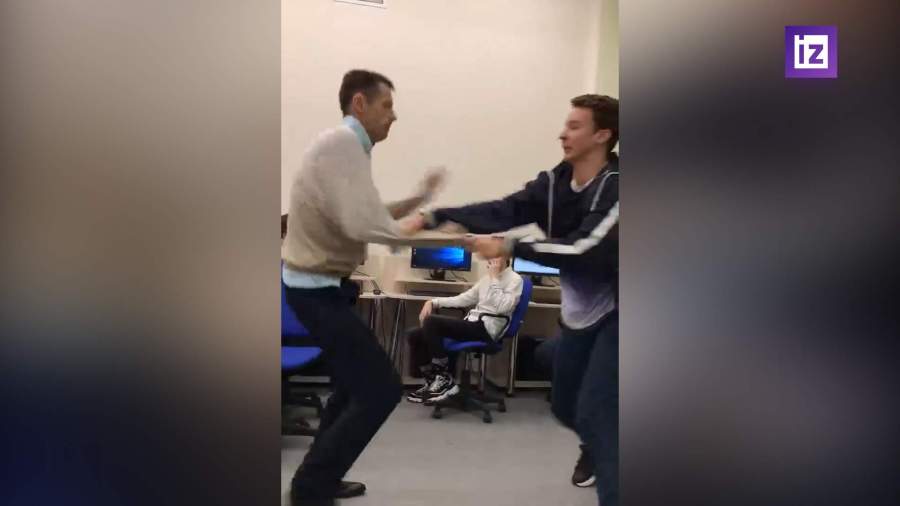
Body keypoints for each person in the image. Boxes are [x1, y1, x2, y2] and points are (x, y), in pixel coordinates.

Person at [404, 94, 619, 505]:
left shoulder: (616, 187)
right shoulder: (555, 183)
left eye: (575, 126)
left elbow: (585, 248)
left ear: (602, 135)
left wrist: (509, 246)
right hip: (579, 317)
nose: (563, 133)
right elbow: (505, 209)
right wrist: (437, 216)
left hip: (620, 313)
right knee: (566, 407)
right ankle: (602, 442)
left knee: (599, 417)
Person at [282, 69, 446, 506]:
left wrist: (418, 201)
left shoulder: (347, 148)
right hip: (315, 290)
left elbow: (367, 213)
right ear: (360, 103)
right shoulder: (342, 144)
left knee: (352, 386)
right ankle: (310, 489)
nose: (394, 116)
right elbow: (363, 225)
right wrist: (438, 233)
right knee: (381, 388)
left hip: (321, 287)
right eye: (386, 106)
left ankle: (318, 478)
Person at [405, 255, 523, 404]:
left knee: (432, 322)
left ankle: (444, 379)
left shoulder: (515, 280)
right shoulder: (486, 279)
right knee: (415, 334)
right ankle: (432, 381)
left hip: (487, 329)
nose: (490, 258)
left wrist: (494, 279)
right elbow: (464, 299)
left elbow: (502, 307)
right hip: (473, 324)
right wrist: (433, 302)